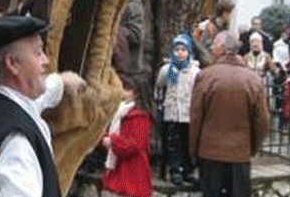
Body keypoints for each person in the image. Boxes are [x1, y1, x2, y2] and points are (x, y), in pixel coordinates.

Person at [0, 14, 86, 197]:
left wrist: (62, 81)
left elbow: (38, 102)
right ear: (12, 64)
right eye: (38, 53)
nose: (46, 60)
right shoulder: (16, 143)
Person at [189, 31, 269, 197]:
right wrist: (251, 147)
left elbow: (196, 118)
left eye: (214, 45)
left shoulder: (206, 76)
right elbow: (262, 121)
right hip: (239, 154)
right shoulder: (253, 79)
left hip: (210, 153)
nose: (211, 49)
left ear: (222, 49)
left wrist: (194, 152)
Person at [154, 34, 200, 187]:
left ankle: (188, 170)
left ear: (189, 52)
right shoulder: (167, 70)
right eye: (177, 50)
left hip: (188, 113)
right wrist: (161, 104)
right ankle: (175, 170)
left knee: (188, 143)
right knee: (174, 142)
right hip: (172, 112)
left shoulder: (195, 72)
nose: (180, 53)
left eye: (183, 50)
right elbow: (159, 86)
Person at [100, 75, 152, 197]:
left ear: (135, 93)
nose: (121, 91)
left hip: (132, 172)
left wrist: (112, 141)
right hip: (120, 168)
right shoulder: (122, 112)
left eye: (125, 89)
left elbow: (135, 144)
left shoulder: (139, 116)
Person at [193, 0, 234, 66]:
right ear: (223, 13)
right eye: (229, 13)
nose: (230, 16)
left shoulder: (225, 28)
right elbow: (203, 47)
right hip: (207, 63)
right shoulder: (208, 27)